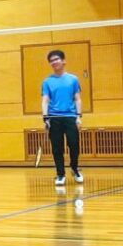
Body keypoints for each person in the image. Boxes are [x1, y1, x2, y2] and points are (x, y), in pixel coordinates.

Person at [41, 50, 83, 186]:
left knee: (74, 145)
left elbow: (77, 99)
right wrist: (45, 118)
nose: (54, 62)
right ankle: (60, 174)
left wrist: (79, 116)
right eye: (51, 61)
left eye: (56, 59)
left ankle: (75, 168)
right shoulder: (47, 82)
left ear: (63, 61)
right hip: (54, 118)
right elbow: (45, 100)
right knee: (57, 148)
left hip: (70, 116)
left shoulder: (73, 79)